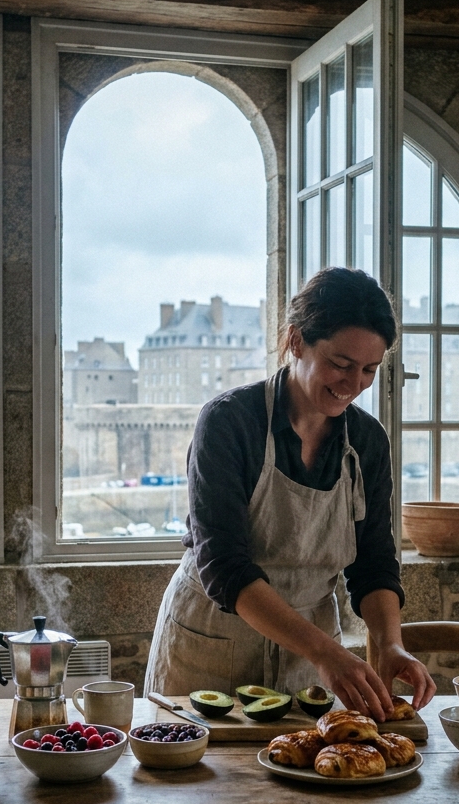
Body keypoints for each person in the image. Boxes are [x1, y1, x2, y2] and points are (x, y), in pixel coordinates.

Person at [144, 267, 437, 720]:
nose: (353, 383)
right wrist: (326, 653)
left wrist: (391, 644)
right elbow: (226, 568)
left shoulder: (368, 442)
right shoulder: (228, 423)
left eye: (369, 370)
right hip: (210, 650)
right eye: (340, 364)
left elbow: (374, 563)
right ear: (296, 341)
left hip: (312, 663)